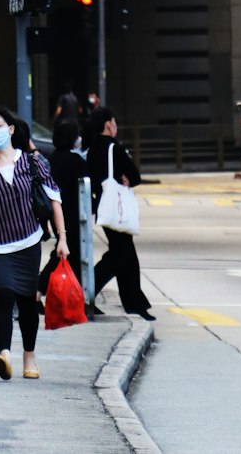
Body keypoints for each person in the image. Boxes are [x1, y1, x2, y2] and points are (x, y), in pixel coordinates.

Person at [0, 105, 67, 382]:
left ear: (11, 130)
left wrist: (62, 237)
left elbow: (54, 198)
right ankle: (4, 354)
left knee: (27, 301)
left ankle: (29, 355)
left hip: (29, 241)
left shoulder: (32, 162)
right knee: (2, 295)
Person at [85, 107, 153, 321]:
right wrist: (127, 178)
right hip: (118, 209)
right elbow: (135, 175)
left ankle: (134, 303)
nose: (115, 126)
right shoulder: (114, 148)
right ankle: (86, 295)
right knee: (121, 257)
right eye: (113, 122)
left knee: (122, 256)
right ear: (107, 123)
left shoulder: (93, 148)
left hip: (104, 207)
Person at [38, 118, 86, 300]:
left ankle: (49, 291)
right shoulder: (76, 161)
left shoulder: (52, 159)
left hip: (55, 213)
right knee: (67, 252)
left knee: (65, 251)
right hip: (72, 215)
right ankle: (40, 289)